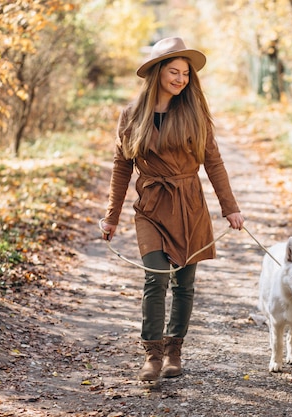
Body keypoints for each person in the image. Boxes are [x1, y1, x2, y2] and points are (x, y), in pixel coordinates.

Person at [101, 37, 245, 382]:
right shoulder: (131, 115)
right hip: (150, 204)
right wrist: (111, 215)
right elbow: (122, 168)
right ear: (157, 73)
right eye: (174, 71)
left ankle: (173, 351)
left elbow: (214, 162)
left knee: (184, 284)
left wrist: (230, 208)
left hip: (189, 203)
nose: (181, 79)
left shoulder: (194, 113)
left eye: (185, 73)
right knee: (155, 278)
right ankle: (151, 353)